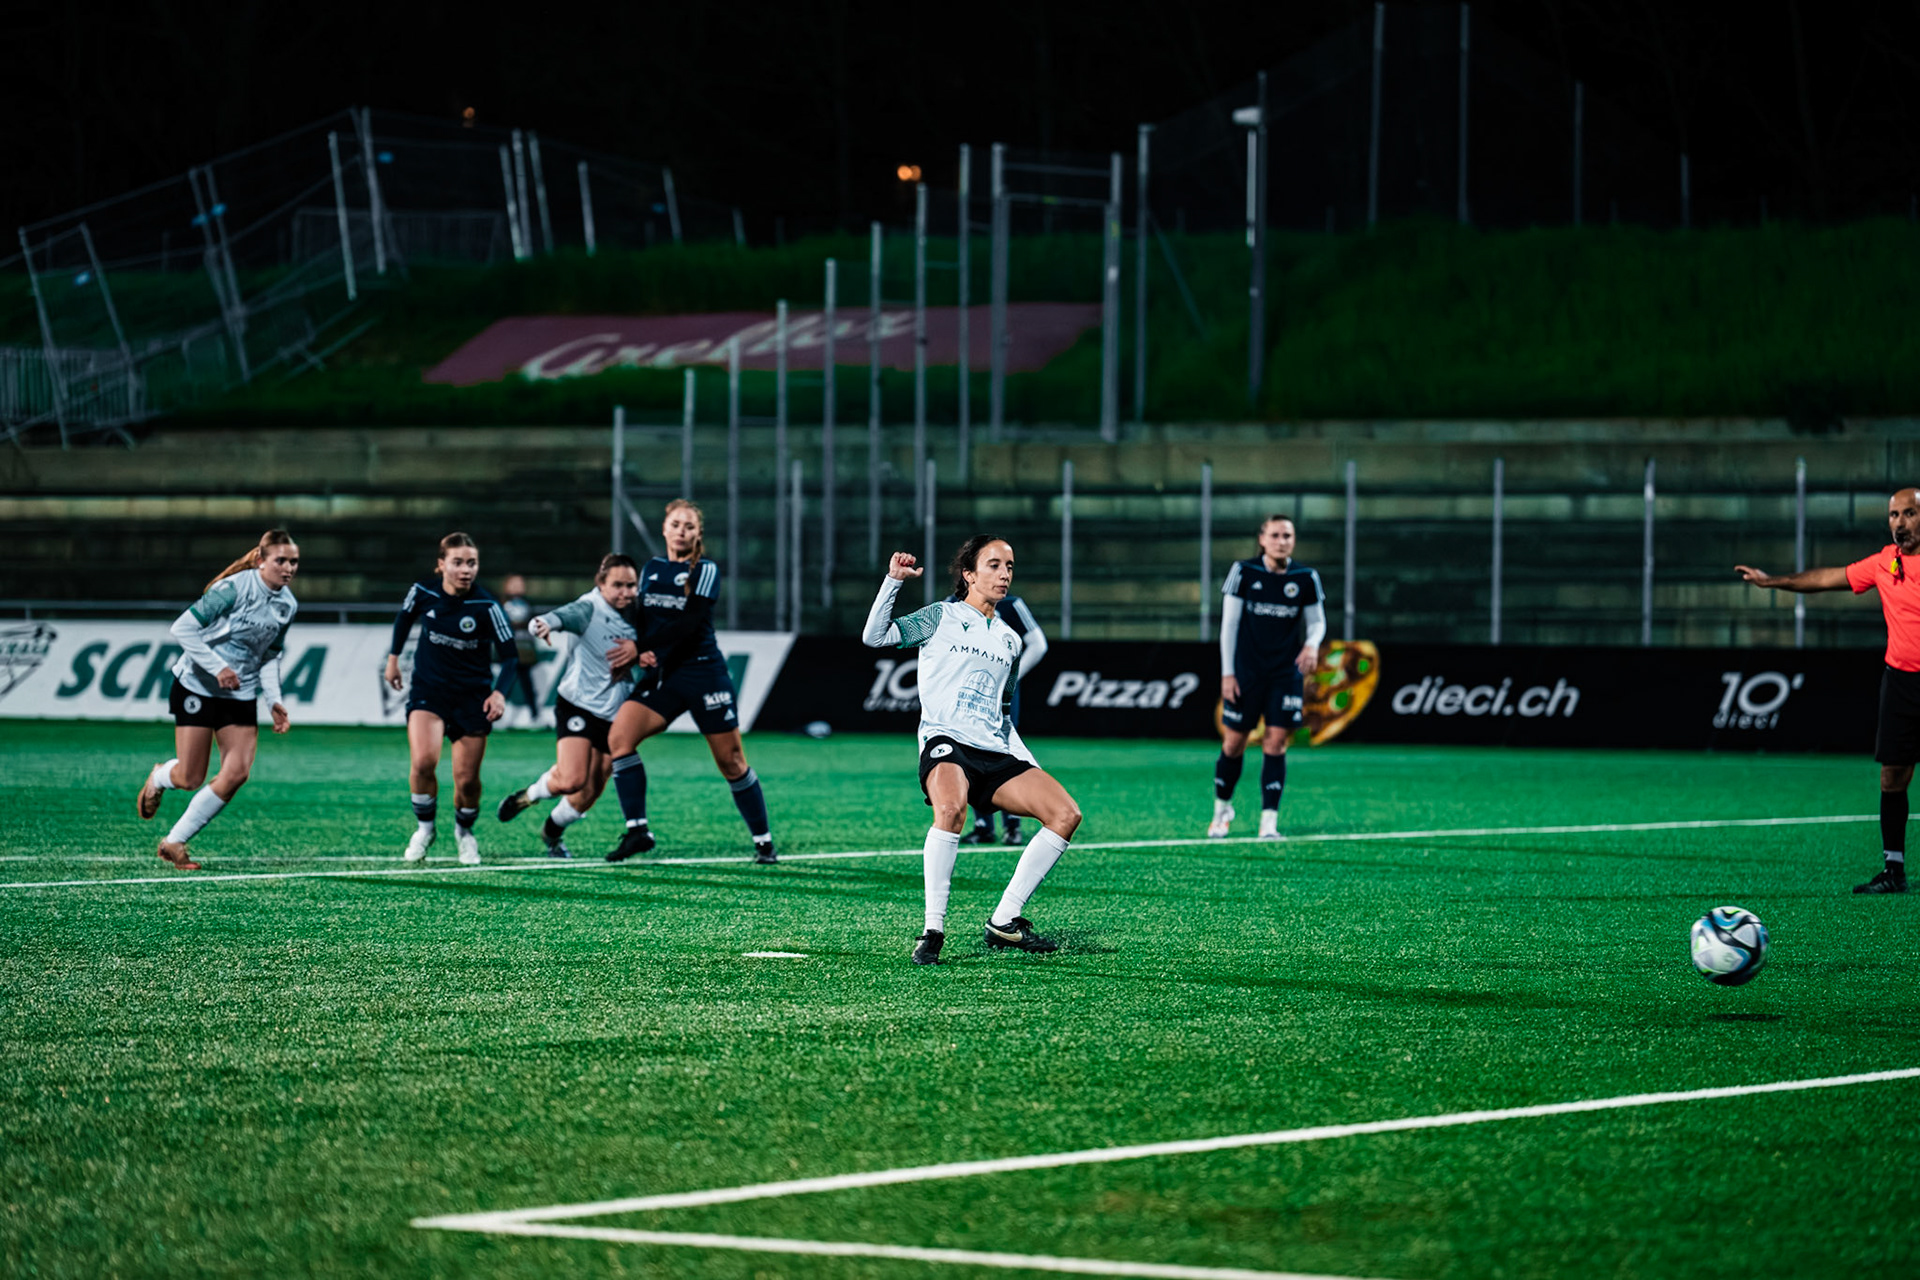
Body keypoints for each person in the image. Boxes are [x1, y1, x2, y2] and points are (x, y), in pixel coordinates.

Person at [863, 537, 1083, 965]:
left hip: (995, 750)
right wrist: (893, 581)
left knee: (1065, 814)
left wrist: (1027, 765)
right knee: (951, 810)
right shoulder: (940, 617)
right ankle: (933, 929)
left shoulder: (1009, 640)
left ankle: (1004, 921)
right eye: (995, 565)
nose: (1005, 574)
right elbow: (875, 637)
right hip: (946, 742)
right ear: (969, 574)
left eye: (1010, 567)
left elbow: (1002, 714)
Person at [1736, 486, 1920, 894]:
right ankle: (1894, 871)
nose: (1900, 523)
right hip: (1901, 682)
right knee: (1892, 778)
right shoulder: (1885, 563)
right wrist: (1773, 582)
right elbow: (1826, 577)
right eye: (1893, 515)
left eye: (1909, 514)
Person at [601, 500, 777, 864]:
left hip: (704, 675)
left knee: (731, 763)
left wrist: (640, 646)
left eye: (689, 526)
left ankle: (763, 841)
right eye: (676, 524)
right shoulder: (650, 569)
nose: (682, 530)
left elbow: (690, 623)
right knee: (620, 738)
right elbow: (642, 619)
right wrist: (641, 650)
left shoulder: (705, 569)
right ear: (664, 529)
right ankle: (638, 831)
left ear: (698, 534)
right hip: (666, 677)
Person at [136, 529, 301, 871]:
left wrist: (274, 700)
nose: (288, 568)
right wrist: (218, 667)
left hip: (239, 693)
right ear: (261, 561)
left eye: (294, 562)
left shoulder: (287, 605)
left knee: (237, 772)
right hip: (197, 685)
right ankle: (160, 777)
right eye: (280, 560)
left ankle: (174, 842)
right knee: (189, 777)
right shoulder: (234, 588)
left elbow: (269, 655)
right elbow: (182, 628)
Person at [384, 532, 519, 866]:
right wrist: (393, 658)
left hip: (472, 698)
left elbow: (511, 657)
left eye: (471, 563)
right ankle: (425, 829)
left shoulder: (487, 606)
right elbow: (404, 618)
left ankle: (464, 832)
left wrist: (500, 693)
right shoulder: (423, 592)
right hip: (429, 693)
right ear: (441, 564)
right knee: (423, 762)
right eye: (457, 562)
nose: (465, 569)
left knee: (467, 780)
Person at [496, 554, 640, 857]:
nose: (626, 592)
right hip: (579, 705)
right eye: (618, 585)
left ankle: (552, 832)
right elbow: (551, 618)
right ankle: (529, 795)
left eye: (631, 585)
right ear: (601, 584)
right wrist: (541, 626)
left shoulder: (639, 612)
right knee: (572, 779)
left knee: (590, 792)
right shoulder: (589, 608)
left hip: (617, 714)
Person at [1210, 514, 1326, 840]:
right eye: (1275, 535)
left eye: (1287, 535)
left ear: (1293, 540)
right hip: (1246, 672)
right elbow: (1229, 626)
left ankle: (1268, 822)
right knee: (1234, 743)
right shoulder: (1244, 572)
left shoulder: (1306, 577)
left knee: (1276, 743)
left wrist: (1313, 644)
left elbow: (1317, 622)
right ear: (1262, 539)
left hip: (1286, 673)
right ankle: (1222, 810)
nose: (1281, 541)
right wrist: (1227, 673)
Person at [952, 588, 1048, 846]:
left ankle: (1012, 825)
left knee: (1003, 753)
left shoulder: (1011, 604)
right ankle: (983, 825)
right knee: (969, 751)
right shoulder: (951, 605)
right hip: (968, 693)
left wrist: (1011, 680)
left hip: (999, 696)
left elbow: (1038, 644)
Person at [500, 574, 544, 726]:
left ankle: (535, 717)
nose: (518, 586)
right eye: (514, 583)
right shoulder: (502, 604)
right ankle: (500, 717)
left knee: (527, 685)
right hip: (509, 652)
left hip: (524, 652)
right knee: (506, 685)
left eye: (520, 583)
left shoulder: (528, 604)